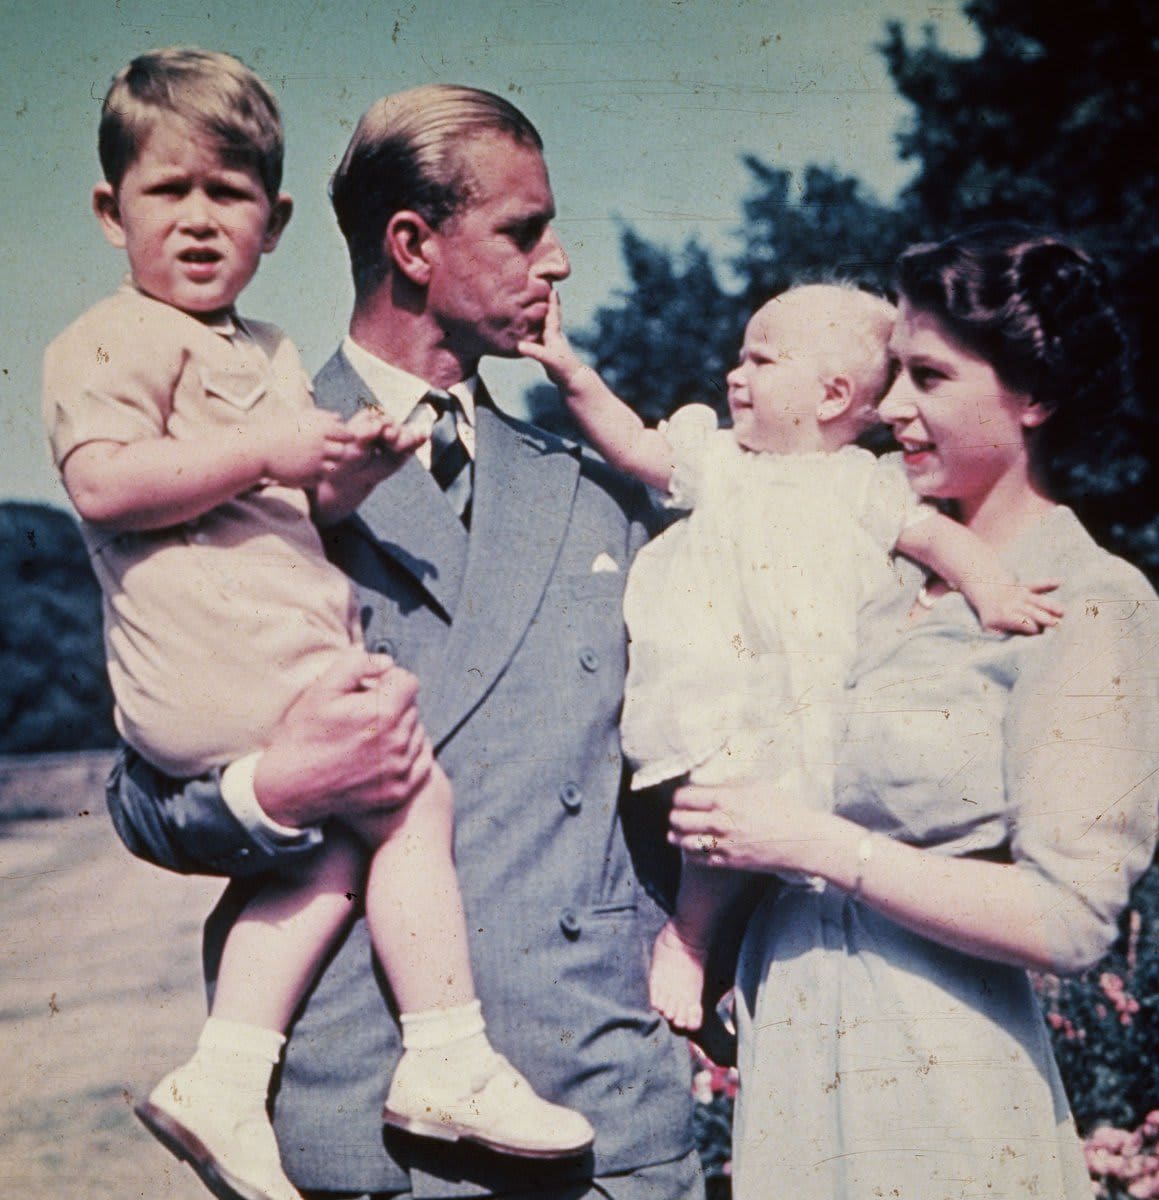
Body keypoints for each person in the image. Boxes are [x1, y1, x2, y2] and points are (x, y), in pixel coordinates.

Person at [105, 82, 702, 1200]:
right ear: (413, 244)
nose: (559, 261)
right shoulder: (227, 467)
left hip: (593, 1109)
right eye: (525, 230)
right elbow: (142, 794)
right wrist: (276, 788)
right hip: (356, 1121)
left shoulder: (592, 493)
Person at [667, 225, 1159, 1199]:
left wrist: (816, 844)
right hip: (793, 1085)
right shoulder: (869, 585)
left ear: (1034, 395)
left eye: (930, 379)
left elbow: (1068, 920)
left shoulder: (1089, 603)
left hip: (943, 1105)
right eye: (893, 374)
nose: (891, 406)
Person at [521, 283, 1063, 1033]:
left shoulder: (863, 485)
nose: (734, 376)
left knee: (789, 825)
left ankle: (739, 966)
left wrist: (994, 589)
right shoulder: (722, 461)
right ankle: (690, 935)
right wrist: (573, 374)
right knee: (721, 808)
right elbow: (636, 445)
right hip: (719, 677)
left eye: (761, 360)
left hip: (809, 689)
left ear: (833, 394)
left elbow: (940, 540)